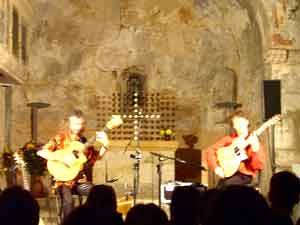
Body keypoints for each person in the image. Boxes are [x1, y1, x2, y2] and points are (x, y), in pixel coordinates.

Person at [37, 109, 114, 220]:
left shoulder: (83, 141)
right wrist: (63, 158)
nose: (78, 127)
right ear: (68, 123)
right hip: (62, 181)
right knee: (68, 201)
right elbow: (42, 152)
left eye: (81, 124)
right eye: (75, 124)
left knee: (99, 193)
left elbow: (96, 157)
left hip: (79, 181)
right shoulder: (60, 138)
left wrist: (105, 145)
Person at [205, 110, 265, 188]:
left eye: (240, 122)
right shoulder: (229, 139)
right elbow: (210, 151)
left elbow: (258, 166)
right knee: (219, 188)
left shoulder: (254, 140)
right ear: (233, 126)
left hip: (244, 175)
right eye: (235, 123)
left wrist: (256, 150)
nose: (238, 125)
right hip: (228, 173)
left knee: (226, 186)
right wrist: (216, 167)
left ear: (247, 122)